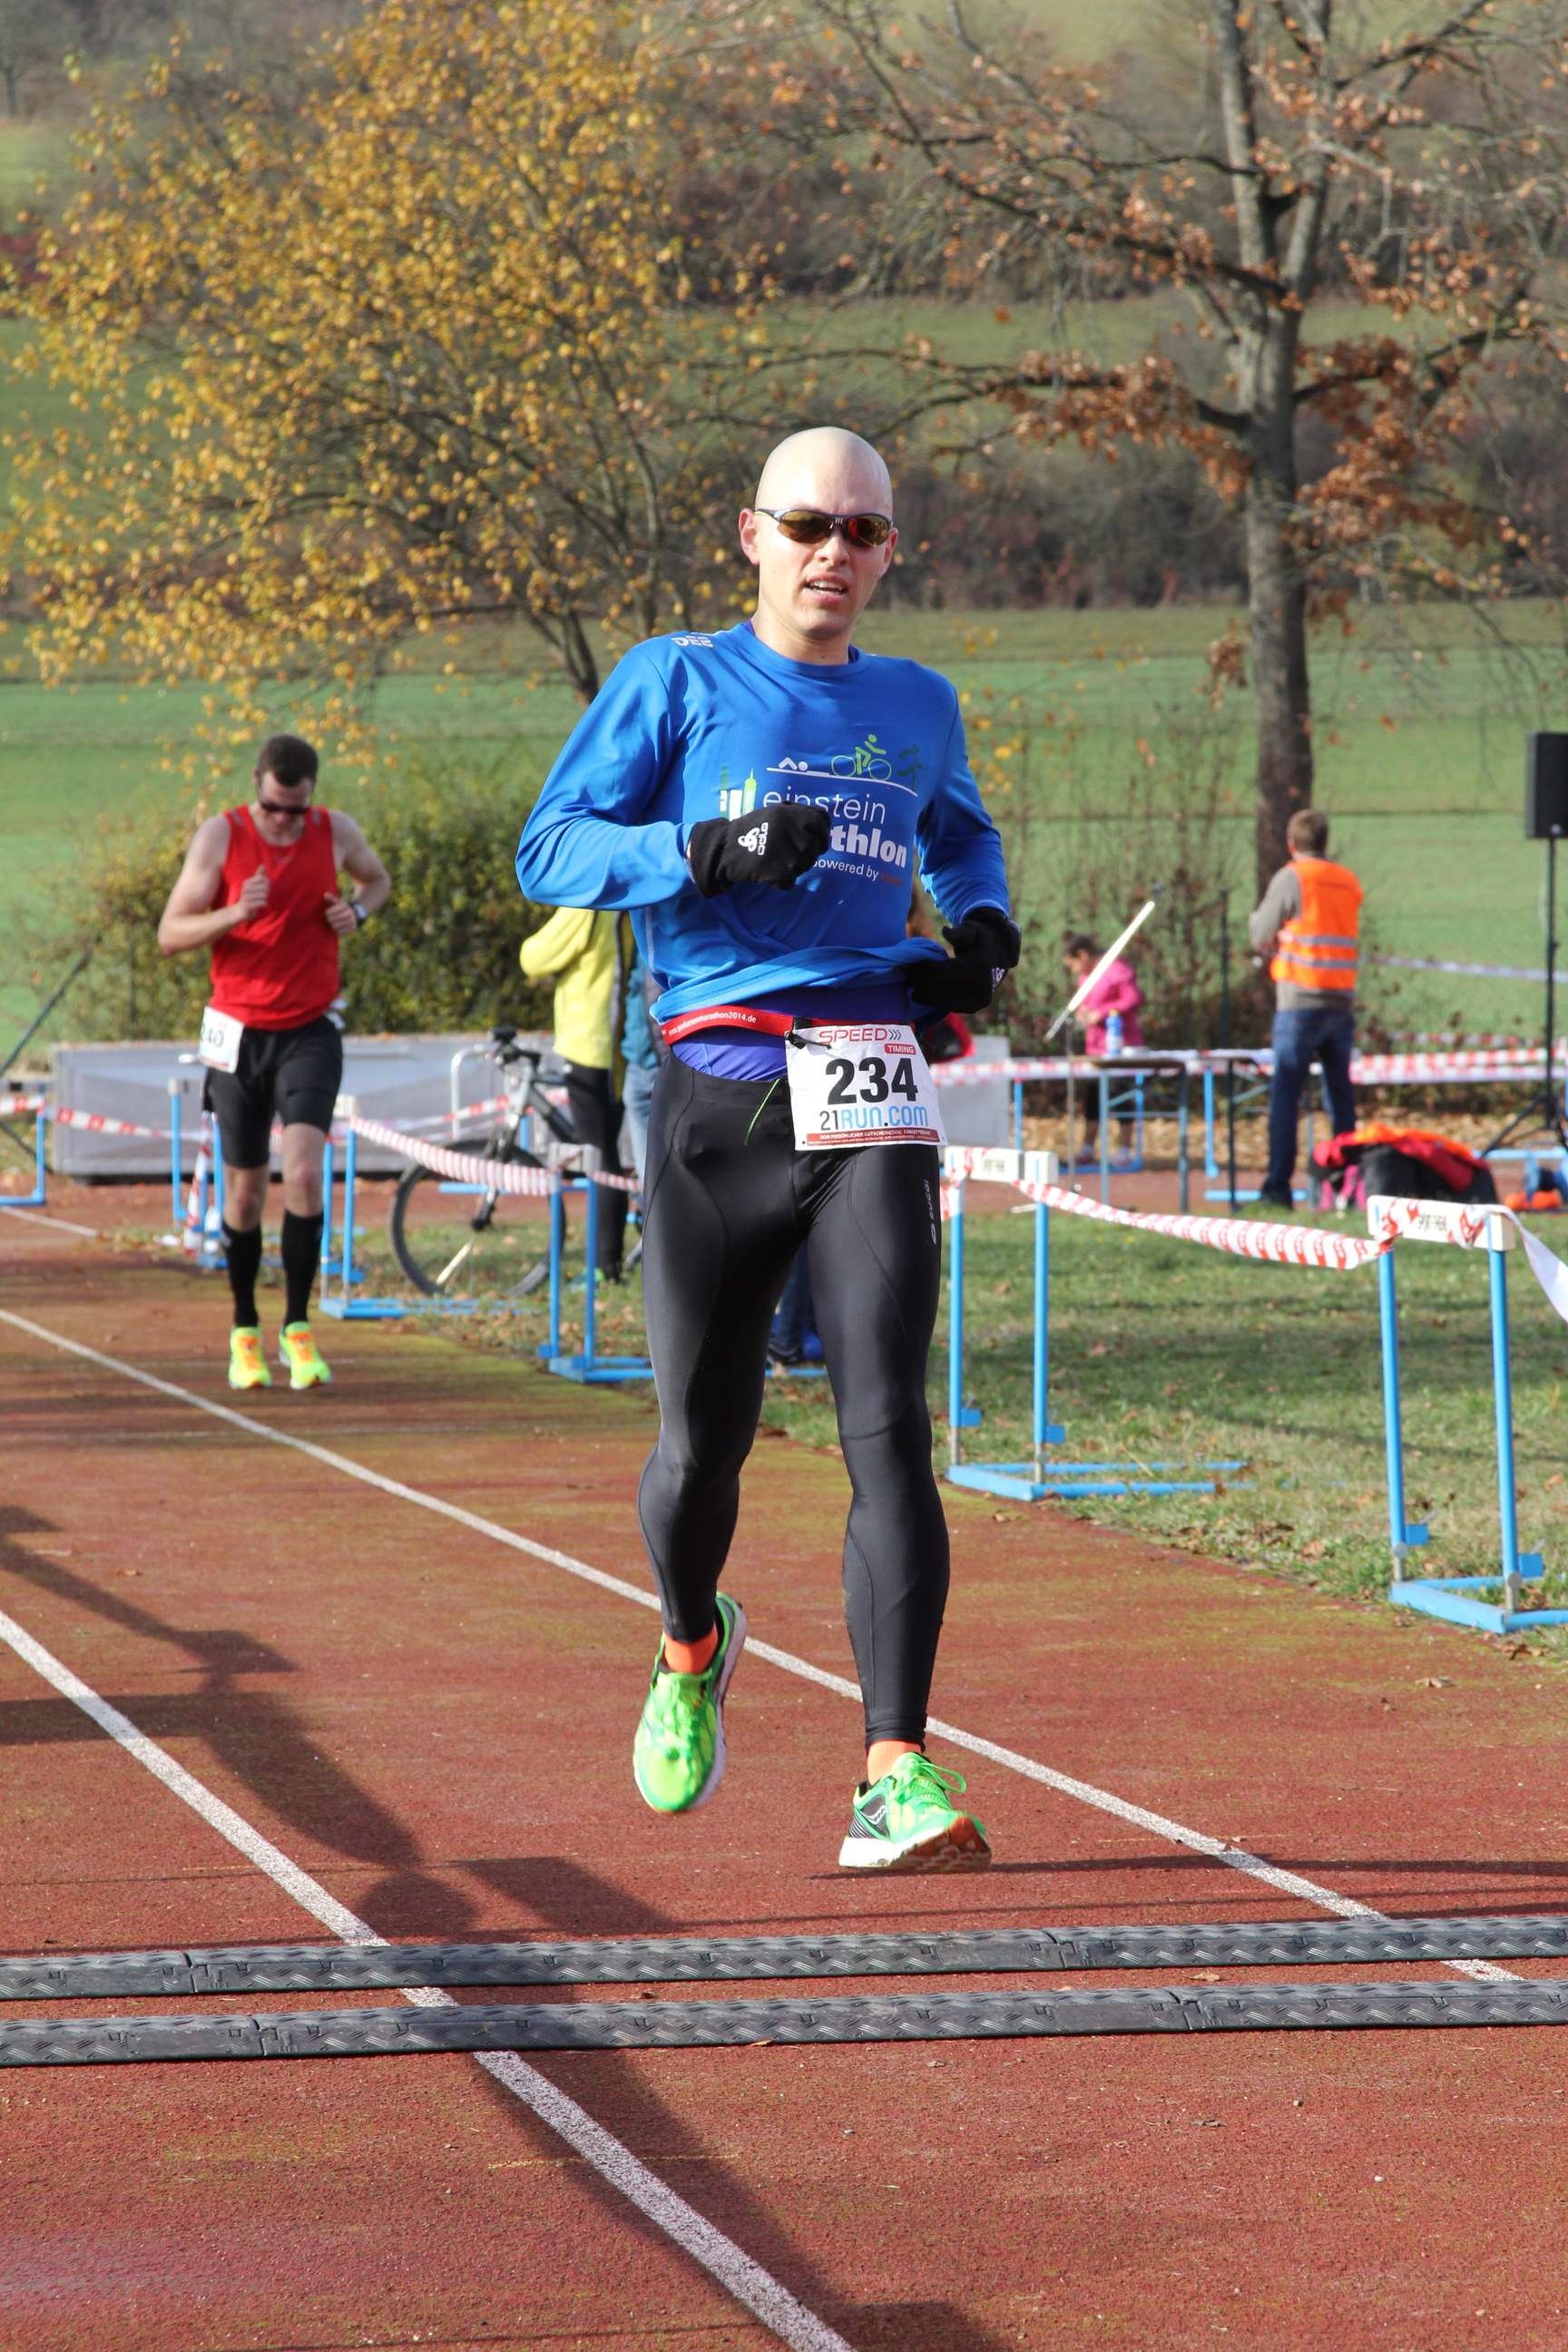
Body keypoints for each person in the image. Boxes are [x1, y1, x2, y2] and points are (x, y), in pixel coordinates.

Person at [516, 425, 1017, 1873]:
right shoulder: (673, 680)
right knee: (700, 1446)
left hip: (869, 1082)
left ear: (890, 552)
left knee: (889, 1423)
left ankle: (893, 1770)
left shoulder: (917, 702)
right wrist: (696, 856)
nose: (832, 554)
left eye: (862, 532)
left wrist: (981, 931)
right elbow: (550, 848)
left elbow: (962, 839)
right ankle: (690, 1644)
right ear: (752, 535)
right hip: (717, 1097)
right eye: (808, 525)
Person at [157, 733, 390, 1390]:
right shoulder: (221, 836)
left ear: (312, 796)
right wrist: (236, 911)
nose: (284, 821)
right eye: (273, 808)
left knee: (307, 1173)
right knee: (245, 1192)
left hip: (309, 1029)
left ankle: (297, 1327)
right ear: (255, 785)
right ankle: (244, 1331)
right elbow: (171, 933)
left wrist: (357, 911)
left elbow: (377, 879)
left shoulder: (336, 831)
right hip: (236, 1032)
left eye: (296, 809)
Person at [1248, 808, 1361, 1210]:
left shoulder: (1292, 877)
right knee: (1340, 1097)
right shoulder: (1347, 880)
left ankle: (1278, 1187)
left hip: (1299, 1001)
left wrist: (1267, 928)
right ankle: (1348, 1186)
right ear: (1326, 841)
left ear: (1291, 844)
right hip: (1340, 1000)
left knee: (1286, 1095)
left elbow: (1260, 933)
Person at [520, 907, 634, 1280]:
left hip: (589, 1044)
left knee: (598, 1156)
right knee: (605, 1153)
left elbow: (534, 957)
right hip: (615, 1045)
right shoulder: (626, 900)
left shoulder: (587, 902)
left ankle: (604, 1267)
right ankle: (609, 1261)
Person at [1062, 930, 1144, 1168]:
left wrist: (1102, 1013)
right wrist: (1084, 1014)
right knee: (1092, 1097)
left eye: (1073, 964)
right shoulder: (1085, 978)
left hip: (1121, 1045)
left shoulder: (1117, 969)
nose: (1074, 971)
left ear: (1082, 954)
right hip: (1094, 1047)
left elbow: (1133, 998)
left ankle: (1124, 1150)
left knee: (1121, 1095)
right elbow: (1086, 1004)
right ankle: (1087, 1148)